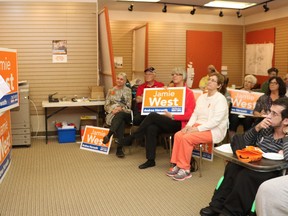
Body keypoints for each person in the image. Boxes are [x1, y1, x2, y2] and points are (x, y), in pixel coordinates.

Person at [200, 97, 288, 216]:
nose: (269, 116)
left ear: (286, 120)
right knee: (232, 167)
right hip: (254, 162)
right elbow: (245, 142)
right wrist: (257, 128)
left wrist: (287, 134)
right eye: (270, 111)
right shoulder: (266, 128)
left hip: (272, 171)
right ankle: (216, 206)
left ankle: (230, 212)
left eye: (274, 113)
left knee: (245, 176)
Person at [121, 67, 196, 169]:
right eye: (173, 74)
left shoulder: (188, 93)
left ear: (183, 77)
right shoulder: (168, 90)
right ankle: (150, 160)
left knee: (152, 115)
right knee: (151, 127)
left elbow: (190, 114)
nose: (174, 76)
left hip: (179, 123)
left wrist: (173, 116)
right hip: (166, 120)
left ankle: (132, 137)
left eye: (177, 74)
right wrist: (161, 93)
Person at [167, 72, 229, 181]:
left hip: (213, 130)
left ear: (219, 85)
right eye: (209, 79)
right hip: (198, 126)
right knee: (178, 135)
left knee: (187, 138)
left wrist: (196, 129)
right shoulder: (202, 97)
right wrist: (188, 126)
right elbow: (195, 114)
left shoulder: (221, 99)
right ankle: (177, 164)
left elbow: (216, 121)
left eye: (213, 81)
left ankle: (185, 169)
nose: (209, 81)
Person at [103, 72, 132, 158]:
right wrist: (113, 110)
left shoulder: (128, 91)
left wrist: (121, 109)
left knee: (121, 115)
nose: (119, 80)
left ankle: (109, 135)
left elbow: (129, 106)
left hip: (126, 113)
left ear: (125, 81)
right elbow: (106, 105)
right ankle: (119, 149)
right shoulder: (111, 90)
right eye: (118, 78)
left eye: (121, 79)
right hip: (113, 114)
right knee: (120, 121)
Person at [229, 75, 258, 139]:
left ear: (252, 85)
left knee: (248, 119)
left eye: (249, 82)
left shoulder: (254, 95)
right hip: (236, 113)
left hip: (247, 114)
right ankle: (232, 139)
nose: (246, 83)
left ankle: (246, 139)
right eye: (245, 81)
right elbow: (232, 104)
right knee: (234, 118)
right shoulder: (237, 92)